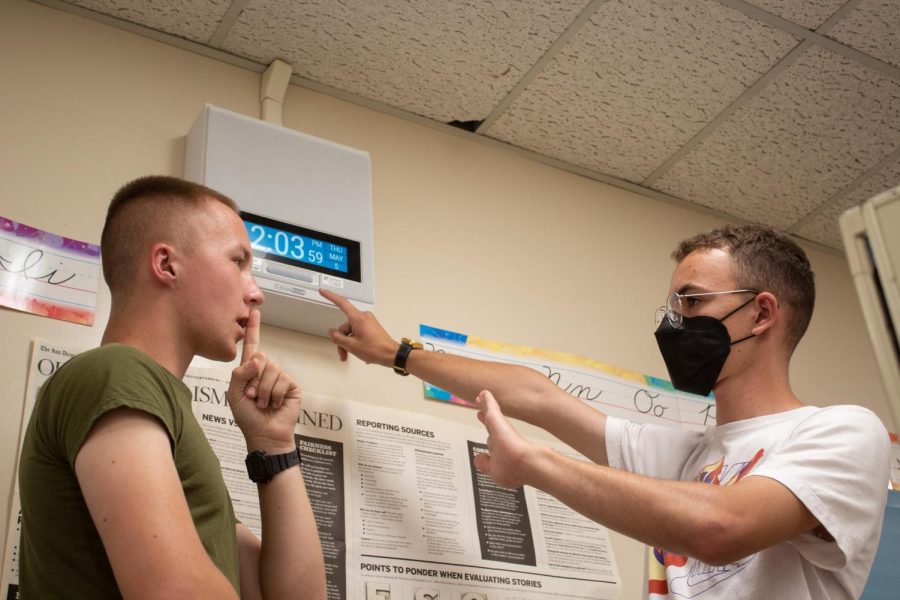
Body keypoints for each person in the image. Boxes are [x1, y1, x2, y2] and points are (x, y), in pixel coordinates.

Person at [321, 224, 891, 600]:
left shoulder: (842, 431)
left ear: (761, 314)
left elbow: (721, 527)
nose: (674, 322)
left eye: (691, 302)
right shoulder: (687, 453)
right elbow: (538, 395)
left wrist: (535, 466)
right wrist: (397, 353)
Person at [18, 176, 327, 599]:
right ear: (166, 265)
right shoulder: (117, 371)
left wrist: (274, 444)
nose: (256, 294)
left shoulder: (159, 403)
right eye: (238, 262)